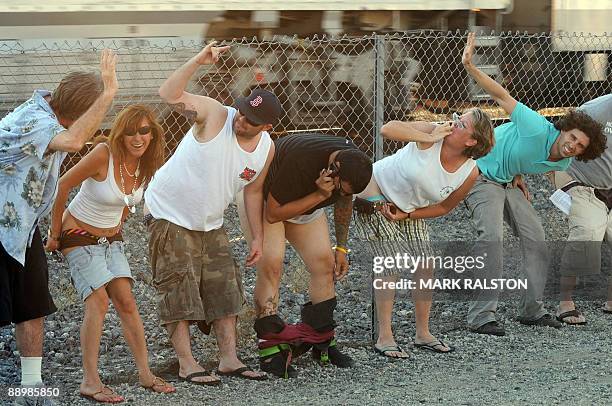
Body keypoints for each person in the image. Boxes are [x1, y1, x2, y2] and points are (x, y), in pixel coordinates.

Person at [144, 42, 275, 385]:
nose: (242, 120)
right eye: (243, 112)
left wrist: (257, 237)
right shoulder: (216, 114)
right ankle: (187, 363)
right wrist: (198, 61)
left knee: (225, 290)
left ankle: (229, 359)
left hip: (211, 221)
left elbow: (252, 191)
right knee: (178, 289)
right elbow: (168, 94)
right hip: (169, 213)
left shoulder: (266, 148)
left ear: (267, 127)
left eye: (252, 121)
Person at [461, 32, 606, 336]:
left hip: (507, 182)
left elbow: (525, 157)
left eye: (580, 147)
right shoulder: (536, 126)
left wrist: (517, 174)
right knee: (492, 240)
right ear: (565, 129)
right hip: (481, 176)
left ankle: (531, 310)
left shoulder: (563, 161)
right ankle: (480, 316)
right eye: (572, 138)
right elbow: (501, 96)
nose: (573, 147)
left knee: (537, 241)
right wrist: (472, 67)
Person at [0, 49, 117, 406]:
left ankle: (31, 390)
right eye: (95, 112)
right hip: (1, 228)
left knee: (31, 307)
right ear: (81, 111)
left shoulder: (52, 115)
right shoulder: (33, 120)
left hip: (20, 229)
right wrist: (108, 93)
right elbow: (74, 141)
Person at [45, 105, 175, 402]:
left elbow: (126, 202)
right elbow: (63, 185)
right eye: (130, 131)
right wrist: (54, 234)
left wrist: (116, 224)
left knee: (127, 301)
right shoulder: (104, 153)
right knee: (99, 300)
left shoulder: (148, 163)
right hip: (77, 234)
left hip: (110, 238)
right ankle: (90, 381)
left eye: (144, 130)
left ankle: (145, 373)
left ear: (153, 133)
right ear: (120, 134)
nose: (138, 137)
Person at [353, 108, 494, 358]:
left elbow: (444, 207)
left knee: (426, 262)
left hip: (407, 208)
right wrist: (428, 136)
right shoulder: (433, 132)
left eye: (461, 124)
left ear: (471, 141)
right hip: (374, 189)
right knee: (393, 260)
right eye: (456, 118)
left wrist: (407, 215)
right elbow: (387, 129)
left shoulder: (470, 171)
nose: (453, 123)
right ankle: (384, 336)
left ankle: (423, 334)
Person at [238, 133, 372, 378]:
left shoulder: (352, 161)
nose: (341, 193)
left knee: (324, 264)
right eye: (340, 187)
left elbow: (344, 199)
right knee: (272, 263)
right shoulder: (302, 160)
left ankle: (322, 342)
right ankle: (269, 350)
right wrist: (320, 196)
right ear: (334, 168)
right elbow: (273, 214)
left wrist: (341, 247)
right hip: (267, 200)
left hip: (306, 204)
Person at [552, 94, 611, 325]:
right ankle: (565, 301)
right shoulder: (595, 110)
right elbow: (560, 137)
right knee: (586, 233)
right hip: (583, 182)